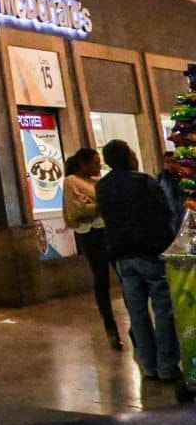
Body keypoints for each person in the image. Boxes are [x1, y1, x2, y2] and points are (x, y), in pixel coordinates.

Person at [96, 140, 179, 381]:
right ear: (127, 157)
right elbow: (164, 212)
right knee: (163, 309)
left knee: (137, 311)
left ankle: (149, 365)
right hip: (150, 253)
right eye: (132, 152)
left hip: (123, 256)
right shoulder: (144, 181)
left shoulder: (103, 187)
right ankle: (166, 364)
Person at [62, 148, 122, 350]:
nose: (98, 167)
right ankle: (110, 327)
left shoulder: (98, 182)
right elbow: (79, 209)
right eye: (95, 162)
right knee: (102, 279)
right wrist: (99, 204)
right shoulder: (71, 181)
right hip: (91, 234)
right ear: (83, 163)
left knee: (121, 276)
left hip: (106, 231)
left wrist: (97, 204)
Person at [158, 150, 188, 238]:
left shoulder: (186, 178)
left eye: (173, 162)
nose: (170, 165)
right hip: (171, 219)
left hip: (184, 215)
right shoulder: (162, 178)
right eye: (167, 162)